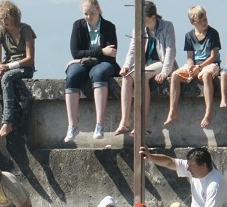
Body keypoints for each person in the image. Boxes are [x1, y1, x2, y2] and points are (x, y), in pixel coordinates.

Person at [114, 2, 176, 136]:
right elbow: (132, 49)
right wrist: (126, 66)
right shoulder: (139, 28)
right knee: (127, 77)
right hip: (144, 63)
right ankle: (124, 121)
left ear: (153, 17)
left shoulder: (167, 26)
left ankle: (143, 123)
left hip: (161, 62)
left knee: (141, 76)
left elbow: (170, 51)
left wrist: (165, 72)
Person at [64, 0, 119, 142]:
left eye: (92, 13)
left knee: (99, 73)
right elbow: (75, 52)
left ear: (99, 10)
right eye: (86, 14)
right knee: (72, 75)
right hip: (85, 63)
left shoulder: (109, 26)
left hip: (105, 64)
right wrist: (100, 51)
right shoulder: (78, 25)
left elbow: (112, 52)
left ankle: (99, 124)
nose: (89, 17)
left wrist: (87, 55)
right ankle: (72, 125)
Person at [0, 1, 37, 138]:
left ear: (14, 16)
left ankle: (8, 122)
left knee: (7, 78)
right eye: (1, 18)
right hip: (6, 65)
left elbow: (29, 58)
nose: (3, 21)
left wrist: (8, 67)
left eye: (6, 17)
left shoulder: (26, 31)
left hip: (24, 67)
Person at [164, 5, 221, 130]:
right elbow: (190, 56)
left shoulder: (213, 33)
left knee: (206, 76)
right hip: (195, 64)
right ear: (193, 22)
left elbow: (213, 56)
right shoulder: (189, 35)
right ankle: (173, 111)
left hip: (210, 64)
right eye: (200, 21)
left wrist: (199, 68)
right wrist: (191, 68)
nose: (204, 22)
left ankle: (208, 112)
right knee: (174, 75)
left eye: (205, 19)